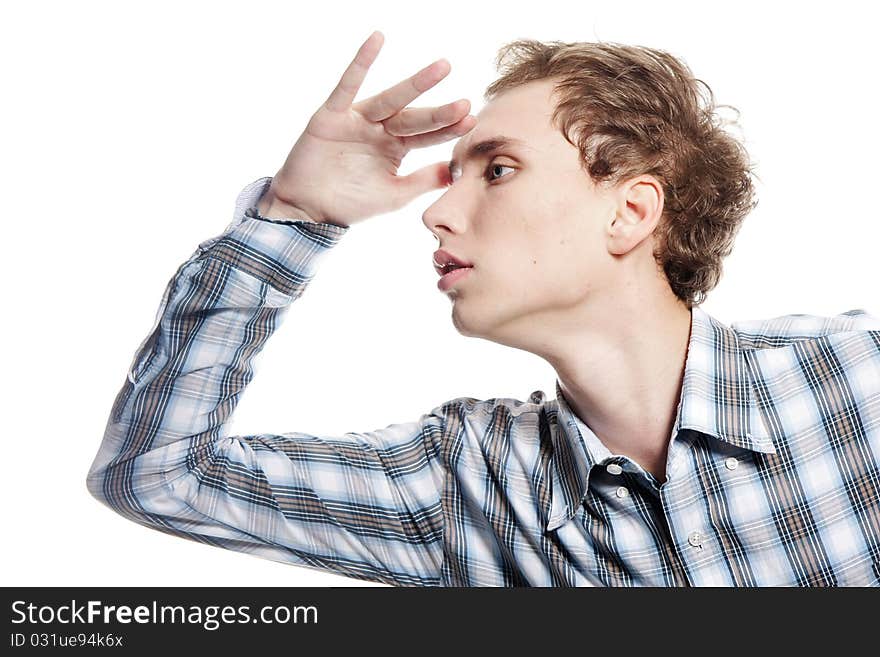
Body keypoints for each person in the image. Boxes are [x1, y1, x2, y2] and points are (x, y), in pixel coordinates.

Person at [86, 31, 880, 587]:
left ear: (631, 212)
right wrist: (293, 215)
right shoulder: (465, 481)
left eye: (497, 169)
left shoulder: (859, 378)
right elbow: (158, 474)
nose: (435, 213)